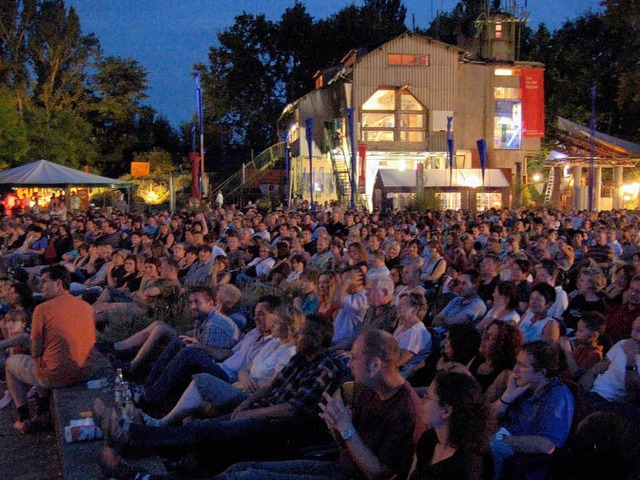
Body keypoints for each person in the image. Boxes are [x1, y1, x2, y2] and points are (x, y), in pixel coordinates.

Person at [94, 315, 345, 475]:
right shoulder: (300, 358)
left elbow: (292, 408)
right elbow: (272, 386)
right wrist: (246, 402)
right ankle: (134, 437)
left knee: (206, 430)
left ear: (316, 339)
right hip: (258, 407)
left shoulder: (325, 366)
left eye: (303, 333)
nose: (297, 336)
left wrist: (251, 412)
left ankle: (131, 436)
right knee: (204, 425)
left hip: (278, 425)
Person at [208, 329, 425, 480]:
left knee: (246, 477)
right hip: (338, 467)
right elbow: (347, 444)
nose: (349, 364)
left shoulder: (405, 410)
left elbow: (379, 473)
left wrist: (346, 428)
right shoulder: (368, 390)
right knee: (241, 468)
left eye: (354, 358)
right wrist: (335, 427)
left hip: (347, 476)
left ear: (375, 365)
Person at [5, 265, 96, 433]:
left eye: (45, 282)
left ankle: (23, 417)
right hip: (85, 372)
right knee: (43, 361)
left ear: (59, 283)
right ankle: (42, 411)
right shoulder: (87, 307)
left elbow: (36, 351)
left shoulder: (42, 309)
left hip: (57, 376)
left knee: (12, 364)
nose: (40, 286)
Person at [490, 341, 575, 480]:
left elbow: (546, 445)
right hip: (500, 442)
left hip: (523, 462)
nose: (515, 370)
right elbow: (483, 419)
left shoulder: (558, 396)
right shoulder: (522, 386)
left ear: (542, 372)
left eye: (522, 365)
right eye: (516, 363)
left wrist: (501, 440)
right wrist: (506, 397)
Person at [410, 371, 493, 480]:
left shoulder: (466, 466)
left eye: (428, 397)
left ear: (446, 411)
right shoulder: (429, 438)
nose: (422, 401)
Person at [394, 292, 432, 379]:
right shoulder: (400, 328)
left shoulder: (417, 331)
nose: (398, 307)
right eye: (398, 304)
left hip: (404, 375)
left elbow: (400, 361)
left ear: (415, 309)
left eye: (402, 304)